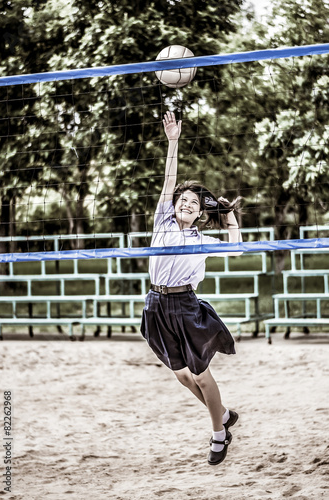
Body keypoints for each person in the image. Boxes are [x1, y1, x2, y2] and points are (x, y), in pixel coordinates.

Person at [140, 111, 243, 466]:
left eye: (193, 203)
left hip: (185, 305)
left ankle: (218, 435)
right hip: (156, 304)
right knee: (183, 375)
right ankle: (224, 415)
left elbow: (237, 248)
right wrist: (173, 141)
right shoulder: (162, 222)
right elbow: (170, 181)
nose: (185, 203)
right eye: (182, 200)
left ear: (200, 213)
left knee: (201, 374)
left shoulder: (203, 238)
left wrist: (228, 214)